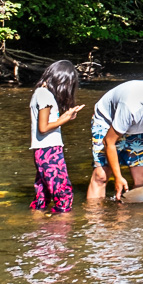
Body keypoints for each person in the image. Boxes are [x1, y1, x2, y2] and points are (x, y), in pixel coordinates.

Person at [29, 60, 84, 214]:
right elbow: (43, 128)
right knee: (63, 193)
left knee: (42, 195)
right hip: (49, 151)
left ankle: (36, 225)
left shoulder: (40, 92)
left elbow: (46, 123)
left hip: (42, 150)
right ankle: (63, 224)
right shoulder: (45, 95)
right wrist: (64, 119)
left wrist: (66, 116)